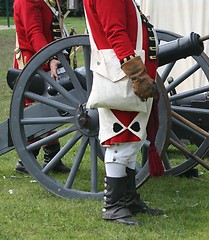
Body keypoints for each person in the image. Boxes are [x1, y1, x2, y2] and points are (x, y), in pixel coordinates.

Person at [83, 0, 164, 225]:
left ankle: (127, 199)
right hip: (121, 75)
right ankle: (114, 205)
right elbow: (115, 32)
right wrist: (137, 74)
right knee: (121, 139)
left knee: (132, 139)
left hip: (123, 73)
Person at [13, 0, 70, 173]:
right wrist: (50, 58)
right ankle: (26, 160)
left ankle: (51, 157)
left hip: (48, 62)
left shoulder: (50, 1)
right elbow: (34, 33)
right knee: (36, 113)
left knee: (48, 112)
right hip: (34, 65)